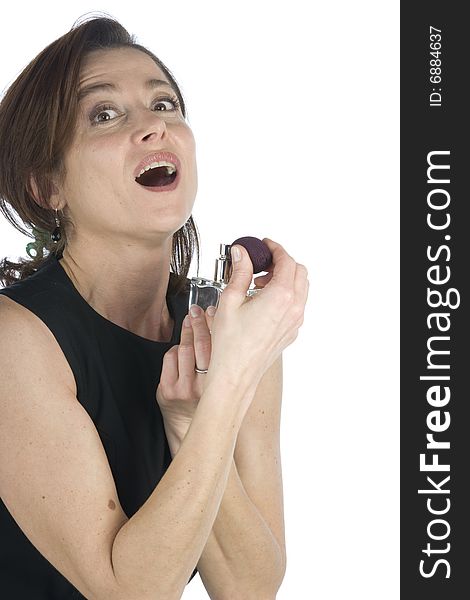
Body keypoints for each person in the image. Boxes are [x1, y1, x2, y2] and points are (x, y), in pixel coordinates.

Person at [0, 14, 309, 600]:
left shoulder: (234, 326)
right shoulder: (15, 339)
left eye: (164, 104)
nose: (154, 128)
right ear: (47, 186)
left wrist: (191, 422)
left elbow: (250, 587)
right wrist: (229, 384)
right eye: (104, 114)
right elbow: (129, 591)